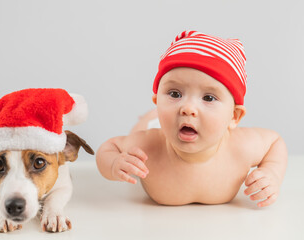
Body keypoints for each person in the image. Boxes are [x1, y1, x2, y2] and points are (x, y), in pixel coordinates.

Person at [96, 31, 288, 207]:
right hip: (159, 126)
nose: (187, 108)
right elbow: (109, 147)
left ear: (234, 116)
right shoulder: (147, 145)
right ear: (157, 100)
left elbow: (275, 142)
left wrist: (272, 173)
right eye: (174, 93)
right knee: (144, 125)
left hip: (175, 123)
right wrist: (114, 164)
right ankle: (150, 116)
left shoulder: (241, 147)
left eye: (208, 98)